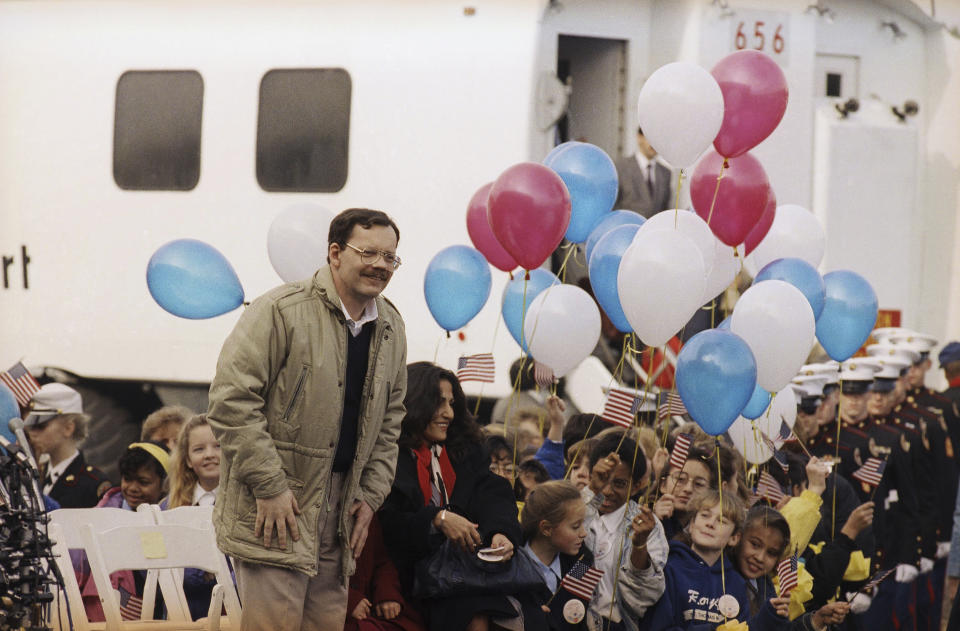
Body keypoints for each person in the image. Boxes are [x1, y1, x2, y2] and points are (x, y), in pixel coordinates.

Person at [206, 208, 408, 631]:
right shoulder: (279, 311)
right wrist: (270, 486)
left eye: (390, 257)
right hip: (278, 507)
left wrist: (370, 496)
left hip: (341, 517)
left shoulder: (391, 326)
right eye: (368, 252)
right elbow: (231, 401)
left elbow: (391, 422)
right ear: (335, 253)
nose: (380, 265)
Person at [378, 362, 521, 631]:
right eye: (439, 403)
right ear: (414, 402)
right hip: (410, 577)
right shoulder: (389, 457)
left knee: (522, 613)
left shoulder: (464, 452)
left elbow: (492, 493)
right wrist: (437, 520)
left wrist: (501, 533)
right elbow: (388, 524)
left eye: (452, 403)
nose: (448, 413)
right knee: (473, 617)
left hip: (463, 573)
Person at [640, 490, 787, 631]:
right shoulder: (669, 569)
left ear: (734, 538)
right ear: (691, 525)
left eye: (722, 521)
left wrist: (768, 618)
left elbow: (744, 628)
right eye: (705, 515)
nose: (710, 524)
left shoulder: (736, 583)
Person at [583, 434, 668, 630]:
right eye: (602, 479)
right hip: (570, 621)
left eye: (619, 483)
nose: (607, 490)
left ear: (637, 485)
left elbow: (644, 598)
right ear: (591, 475)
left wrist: (639, 545)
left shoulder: (646, 525)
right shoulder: (575, 509)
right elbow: (564, 565)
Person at [734, 505, 852, 630]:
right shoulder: (720, 578)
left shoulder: (765, 586)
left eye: (771, 553)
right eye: (755, 544)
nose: (760, 557)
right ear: (737, 536)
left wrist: (817, 619)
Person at [163, 414, 222, 621]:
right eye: (199, 449)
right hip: (182, 609)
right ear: (188, 460)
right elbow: (155, 560)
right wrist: (200, 574)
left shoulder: (243, 506)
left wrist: (218, 576)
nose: (209, 454)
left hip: (227, 608)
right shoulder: (167, 506)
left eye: (218, 446)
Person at [519, 480, 594, 630]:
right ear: (546, 528)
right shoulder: (514, 573)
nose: (583, 533)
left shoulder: (580, 563)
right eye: (575, 526)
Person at [23, 383, 111, 508]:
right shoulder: (37, 473)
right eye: (32, 426)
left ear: (68, 428)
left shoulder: (93, 483)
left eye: (41, 426)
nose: (32, 433)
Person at [614, 127, 672, 219]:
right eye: (651, 138)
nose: (655, 143)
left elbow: (666, 211)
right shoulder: (621, 167)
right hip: (628, 229)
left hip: (654, 231)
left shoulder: (666, 173)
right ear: (639, 137)